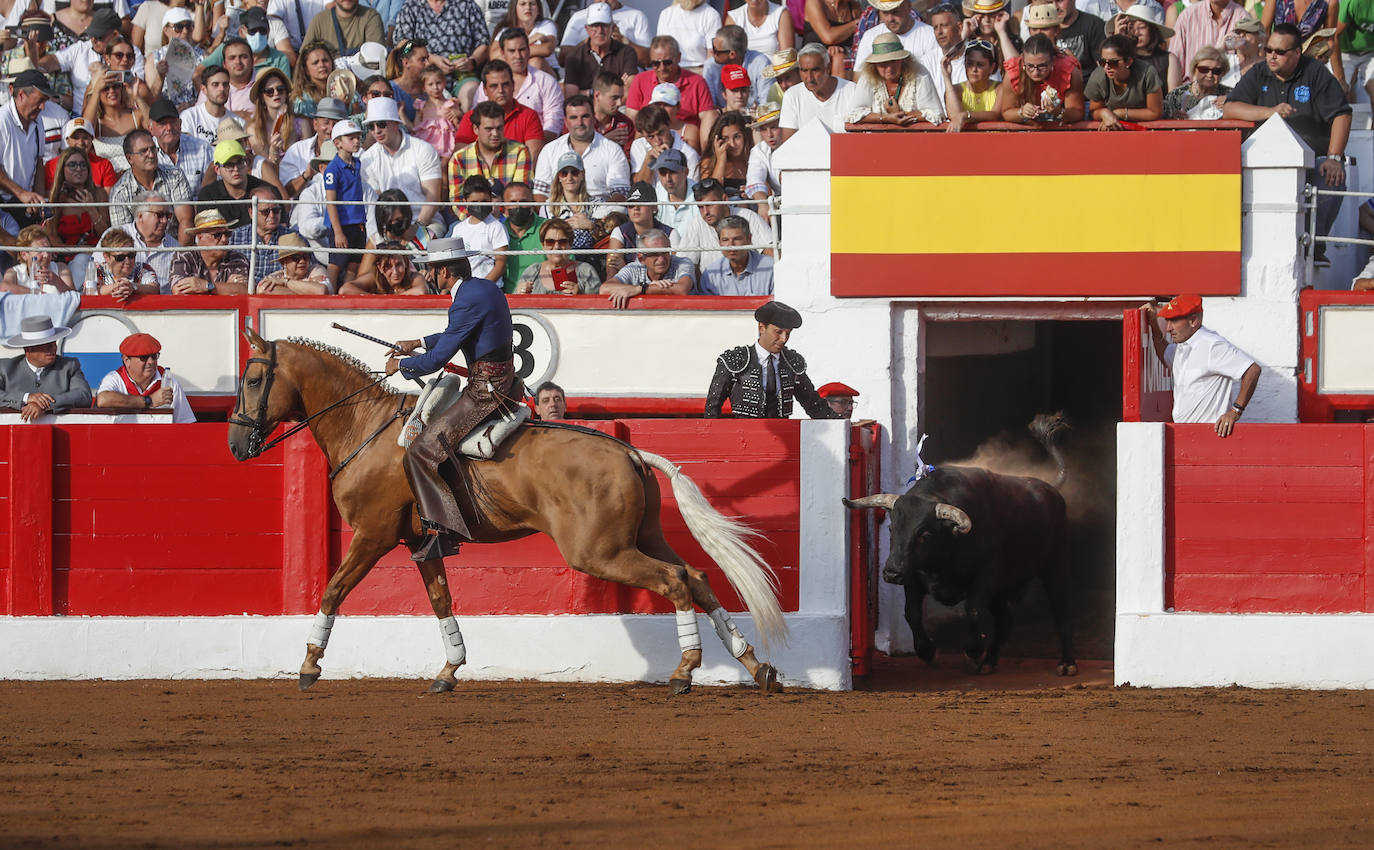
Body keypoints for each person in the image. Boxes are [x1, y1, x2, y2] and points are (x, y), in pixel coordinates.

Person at [386, 237, 519, 561]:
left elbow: (435, 361)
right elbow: (458, 332)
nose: (430, 276)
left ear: (444, 270)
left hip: (485, 390)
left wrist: (400, 365)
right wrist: (416, 341)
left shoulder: (464, 301)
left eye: (432, 270)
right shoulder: (483, 289)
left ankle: (441, 533)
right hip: (500, 379)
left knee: (420, 450)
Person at [1224, 22, 1350, 266]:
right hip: (1263, 161)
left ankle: (1313, 248)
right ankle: (1239, 248)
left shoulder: (1315, 72)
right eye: (1269, 50)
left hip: (1313, 159)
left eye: (1280, 52)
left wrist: (1335, 157)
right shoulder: (1259, 72)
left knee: (1332, 179)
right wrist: (1270, 112)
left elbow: (1342, 114)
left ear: (1296, 53)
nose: (1272, 56)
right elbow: (1230, 108)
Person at [1142, 294, 1260, 437]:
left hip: (1208, 436)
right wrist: (1154, 326)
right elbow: (1165, 354)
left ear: (1193, 321)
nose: (1168, 328)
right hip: (1186, 435)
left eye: (1173, 321)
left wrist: (1235, 412)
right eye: (1167, 321)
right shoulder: (1183, 345)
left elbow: (1252, 370)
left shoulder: (1212, 345)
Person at [705, 300, 838, 419]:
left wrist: (843, 424)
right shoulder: (735, 360)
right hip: (744, 436)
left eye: (788, 333)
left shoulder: (792, 362)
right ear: (762, 328)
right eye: (778, 332)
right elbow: (712, 408)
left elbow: (814, 404)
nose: (784, 339)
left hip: (781, 435)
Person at [359, 96, 444, 231]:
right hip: (388, 227)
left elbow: (433, 198)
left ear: (396, 123)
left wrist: (416, 228)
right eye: (371, 126)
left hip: (426, 223)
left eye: (381, 124)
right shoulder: (367, 159)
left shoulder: (423, 150)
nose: (376, 131)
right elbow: (374, 205)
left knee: (419, 247)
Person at [531, 95, 631, 202]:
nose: (580, 123)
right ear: (565, 121)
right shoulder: (549, 150)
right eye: (574, 117)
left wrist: (602, 215)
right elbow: (540, 194)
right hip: (558, 214)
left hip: (601, 213)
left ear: (594, 118)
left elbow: (620, 193)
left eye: (585, 116)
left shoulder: (612, 150)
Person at [624, 36, 719, 145]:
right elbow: (632, 118)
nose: (662, 68)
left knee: (711, 114)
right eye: (655, 63)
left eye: (667, 62)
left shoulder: (697, 82)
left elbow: (708, 117)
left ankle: (706, 158)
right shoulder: (640, 80)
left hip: (686, 138)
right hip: (651, 138)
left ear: (678, 57)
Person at [453, 59, 547, 166]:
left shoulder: (529, 116)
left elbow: (532, 159)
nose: (500, 90)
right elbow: (459, 160)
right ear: (484, 89)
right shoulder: (470, 117)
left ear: (513, 85)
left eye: (505, 84)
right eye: (494, 86)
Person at [475, 28, 565, 137]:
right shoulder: (488, 83)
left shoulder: (546, 82)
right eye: (512, 51)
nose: (518, 56)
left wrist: (533, 145)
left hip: (536, 145)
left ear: (528, 50)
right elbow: (477, 118)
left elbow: (554, 125)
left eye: (522, 50)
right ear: (503, 53)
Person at [108, 128, 195, 240]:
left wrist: (180, 255)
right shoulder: (119, 193)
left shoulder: (175, 175)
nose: (151, 155)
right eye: (144, 151)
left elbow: (186, 221)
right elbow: (124, 237)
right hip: (139, 252)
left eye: (153, 149)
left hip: (176, 245)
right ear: (130, 158)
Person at [0, 316, 91, 421]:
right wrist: (26, 397)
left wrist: (45, 404)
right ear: (28, 349)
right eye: (46, 345)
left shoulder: (69, 366)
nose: (53, 349)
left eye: (53, 343)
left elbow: (83, 395)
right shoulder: (4, 368)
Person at [42, 145, 109, 284]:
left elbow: (106, 234)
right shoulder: (55, 198)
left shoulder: (99, 193)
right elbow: (52, 239)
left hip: (96, 256)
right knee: (80, 261)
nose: (79, 169)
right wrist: (79, 250)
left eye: (83, 164)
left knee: (83, 260)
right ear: (63, 169)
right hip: (66, 257)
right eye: (72, 165)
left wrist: (91, 208)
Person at [847, 30, 944, 127]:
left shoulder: (919, 73)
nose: (889, 68)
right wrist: (886, 118)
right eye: (883, 64)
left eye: (893, 61)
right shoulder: (867, 76)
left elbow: (935, 113)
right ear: (874, 65)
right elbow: (855, 114)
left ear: (902, 60)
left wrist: (901, 114)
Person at [450, 100, 532, 212]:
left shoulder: (520, 152)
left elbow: (520, 197)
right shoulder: (458, 159)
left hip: (510, 222)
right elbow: (457, 202)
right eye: (489, 129)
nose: (495, 134)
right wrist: (475, 222)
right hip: (471, 222)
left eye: (499, 128)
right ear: (475, 129)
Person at [670, 177, 772, 267]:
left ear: (724, 199)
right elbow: (686, 264)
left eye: (710, 205)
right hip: (709, 287)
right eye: (700, 207)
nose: (706, 212)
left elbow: (773, 253)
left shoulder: (748, 217)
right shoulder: (696, 223)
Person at [853, 0, 946, 98]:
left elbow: (938, 80)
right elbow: (859, 79)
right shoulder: (870, 36)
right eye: (885, 13)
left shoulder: (930, 35)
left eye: (895, 12)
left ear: (908, 7)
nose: (890, 19)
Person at [94, 332, 195, 422]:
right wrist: (149, 401)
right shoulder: (115, 378)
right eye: (144, 357)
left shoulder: (170, 382)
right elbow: (103, 399)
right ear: (126, 360)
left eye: (154, 356)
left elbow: (185, 422)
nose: (151, 362)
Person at [391, 0, 490, 88]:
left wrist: (472, 61)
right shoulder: (411, 7)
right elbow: (403, 47)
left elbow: (484, 43)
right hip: (424, 79)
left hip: (461, 78)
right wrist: (429, 58)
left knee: (471, 89)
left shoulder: (467, 5)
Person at [0, 69, 55, 227]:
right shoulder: (2, 120)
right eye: (40, 100)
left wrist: (38, 200)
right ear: (21, 95)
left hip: (22, 204)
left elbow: (39, 163)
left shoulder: (38, 123)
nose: (43, 107)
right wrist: (21, 193)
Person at [996, 32, 1086, 124]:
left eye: (1042, 66)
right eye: (1030, 66)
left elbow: (1077, 113)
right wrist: (1022, 112)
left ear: (1053, 61)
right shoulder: (1014, 73)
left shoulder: (1068, 71)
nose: (1036, 72)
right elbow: (1006, 112)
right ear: (1023, 61)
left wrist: (1058, 111)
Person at [779, 42, 854, 140]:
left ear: (828, 68)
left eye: (815, 70)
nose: (809, 78)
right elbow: (788, 143)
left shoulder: (851, 91)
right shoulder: (792, 96)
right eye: (804, 71)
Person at [601, 229, 695, 307]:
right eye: (654, 254)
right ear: (641, 258)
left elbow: (682, 289)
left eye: (665, 252)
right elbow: (604, 289)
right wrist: (647, 288)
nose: (661, 259)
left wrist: (641, 289)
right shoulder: (634, 268)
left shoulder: (683, 263)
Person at [563, 4, 641, 96]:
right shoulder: (574, 55)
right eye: (595, 25)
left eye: (605, 26)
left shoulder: (627, 52)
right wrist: (613, 92)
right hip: (585, 107)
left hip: (618, 107)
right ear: (587, 29)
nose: (600, 31)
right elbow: (571, 95)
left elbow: (629, 91)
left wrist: (586, 92)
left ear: (613, 28)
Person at [323, 118, 366, 287]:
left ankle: (345, 291)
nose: (356, 141)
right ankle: (330, 294)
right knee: (336, 262)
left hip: (357, 222)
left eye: (357, 137)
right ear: (338, 143)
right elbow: (331, 202)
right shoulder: (333, 169)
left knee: (354, 262)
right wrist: (338, 231)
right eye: (351, 138)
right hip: (342, 223)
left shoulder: (357, 163)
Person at [1087, 34, 1163, 128]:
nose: (1107, 67)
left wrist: (1120, 113)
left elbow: (1155, 112)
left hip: (1145, 128)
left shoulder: (1147, 73)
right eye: (1102, 62)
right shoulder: (1098, 76)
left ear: (1129, 61)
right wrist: (1103, 113)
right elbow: (1093, 111)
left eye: (1113, 62)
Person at [168, 208, 250, 294]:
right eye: (217, 235)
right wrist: (226, 288)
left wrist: (206, 286)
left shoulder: (237, 259)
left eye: (227, 234)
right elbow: (179, 291)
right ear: (200, 237)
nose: (225, 239)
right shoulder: (184, 256)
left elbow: (245, 289)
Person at [514, 218, 600, 293]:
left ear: (570, 244)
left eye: (562, 242)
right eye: (550, 242)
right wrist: (520, 293)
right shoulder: (532, 272)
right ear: (543, 245)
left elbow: (598, 307)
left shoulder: (586, 272)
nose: (556, 247)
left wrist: (580, 295)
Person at [1108, 3, 1183, 90]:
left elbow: (1174, 97)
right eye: (1131, 27)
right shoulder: (1121, 58)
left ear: (1152, 30)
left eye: (1142, 27)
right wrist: (1118, 41)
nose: (1137, 32)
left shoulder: (1169, 59)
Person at [450, 174, 508, 283]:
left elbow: (500, 265)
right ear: (465, 202)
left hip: (490, 288)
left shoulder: (497, 228)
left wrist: (482, 287)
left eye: (484, 201)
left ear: (491, 200)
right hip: (464, 289)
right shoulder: (458, 229)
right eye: (474, 202)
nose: (480, 206)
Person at [607, 180, 671, 276]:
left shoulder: (670, 234)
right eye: (631, 205)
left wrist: (626, 270)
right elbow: (611, 278)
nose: (635, 208)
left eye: (641, 203)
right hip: (627, 289)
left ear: (654, 207)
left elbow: (674, 273)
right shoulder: (619, 232)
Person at [148, 97, 213, 191]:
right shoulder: (145, 153)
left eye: (173, 122)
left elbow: (212, 188)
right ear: (151, 129)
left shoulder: (202, 149)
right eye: (162, 123)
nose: (169, 127)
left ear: (180, 124)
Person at [560, 0, 652, 66]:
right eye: (595, 25)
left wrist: (623, 41)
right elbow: (563, 59)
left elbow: (647, 60)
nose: (603, 1)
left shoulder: (637, 16)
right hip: (587, 77)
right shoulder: (578, 17)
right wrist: (590, 41)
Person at [698, 215, 773, 295]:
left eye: (737, 239)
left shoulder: (770, 267)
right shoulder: (711, 273)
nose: (731, 245)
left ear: (749, 239)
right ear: (719, 242)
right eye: (725, 240)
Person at [1167, 0, 1245, 76]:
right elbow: (1174, 62)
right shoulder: (1188, 16)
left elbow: (1248, 65)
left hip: (1231, 87)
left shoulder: (1243, 18)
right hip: (1190, 86)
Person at [119, 191, 179, 288]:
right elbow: (96, 272)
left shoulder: (176, 249)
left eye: (168, 216)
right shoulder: (117, 236)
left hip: (160, 302)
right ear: (140, 216)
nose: (164, 221)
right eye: (159, 215)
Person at [631, 102, 700, 183]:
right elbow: (638, 189)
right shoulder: (638, 145)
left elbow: (692, 192)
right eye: (650, 137)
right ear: (642, 135)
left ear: (669, 125)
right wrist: (648, 161)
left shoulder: (689, 154)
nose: (657, 142)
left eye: (661, 133)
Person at [704, 25, 772, 108]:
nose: (712, 53)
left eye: (716, 51)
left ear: (732, 54)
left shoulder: (761, 64)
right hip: (723, 117)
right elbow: (709, 106)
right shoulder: (711, 66)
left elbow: (766, 104)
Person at [494, 0, 562, 78]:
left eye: (532, 4)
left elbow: (547, 49)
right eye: (523, 4)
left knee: (535, 61)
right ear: (514, 8)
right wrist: (530, 40)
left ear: (538, 9)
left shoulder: (546, 25)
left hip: (547, 72)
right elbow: (494, 56)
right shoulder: (506, 29)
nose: (528, 7)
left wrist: (511, 53)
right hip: (514, 72)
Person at [44, 117, 117, 189]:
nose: (81, 142)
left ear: (92, 139)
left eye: (85, 138)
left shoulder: (104, 165)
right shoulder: (51, 165)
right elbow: (49, 196)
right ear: (67, 140)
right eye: (75, 138)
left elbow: (109, 198)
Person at [942, 38, 999, 130]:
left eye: (980, 65)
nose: (974, 69)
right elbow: (955, 116)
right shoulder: (956, 90)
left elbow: (996, 114)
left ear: (992, 67)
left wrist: (966, 115)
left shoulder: (1000, 88)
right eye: (969, 64)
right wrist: (947, 78)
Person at [89, 228, 162, 300]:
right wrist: (117, 287)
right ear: (107, 257)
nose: (127, 261)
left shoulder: (144, 268)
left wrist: (133, 287)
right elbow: (89, 292)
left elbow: (154, 288)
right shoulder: (96, 269)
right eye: (120, 257)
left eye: (131, 255)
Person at [500, 180, 545, 292]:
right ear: (504, 206)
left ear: (532, 203)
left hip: (542, 297)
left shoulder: (548, 228)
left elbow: (566, 262)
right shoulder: (497, 231)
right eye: (513, 202)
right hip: (506, 300)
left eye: (523, 201)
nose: (518, 206)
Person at [2, 225, 75, 293]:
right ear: (24, 255)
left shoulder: (61, 268)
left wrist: (57, 282)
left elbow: (75, 297)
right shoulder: (14, 272)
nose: (46, 255)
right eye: (40, 251)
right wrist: (38, 295)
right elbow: (4, 288)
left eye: (48, 250)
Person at [1163, 45, 1230, 117]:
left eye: (1216, 71)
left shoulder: (1230, 95)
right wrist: (1174, 118)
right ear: (1194, 70)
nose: (1210, 75)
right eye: (1204, 69)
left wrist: (1230, 106)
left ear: (1223, 73)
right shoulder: (1176, 95)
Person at [302, 0, 384, 58]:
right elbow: (304, 56)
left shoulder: (371, 16)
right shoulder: (319, 20)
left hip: (362, 76)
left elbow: (375, 56)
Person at [412, 65, 461, 160]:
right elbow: (416, 127)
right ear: (424, 88)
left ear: (444, 83)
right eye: (430, 84)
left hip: (446, 144)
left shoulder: (450, 104)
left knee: (443, 168)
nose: (435, 87)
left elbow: (457, 126)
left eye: (438, 83)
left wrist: (458, 114)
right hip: (426, 143)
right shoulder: (421, 106)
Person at [698, 111, 753, 194]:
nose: (732, 144)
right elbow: (710, 196)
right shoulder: (709, 163)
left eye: (737, 137)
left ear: (745, 136)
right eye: (725, 139)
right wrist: (721, 161)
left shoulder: (752, 159)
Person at [802, 0, 862, 77]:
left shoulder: (854, 7)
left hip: (845, 55)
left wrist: (842, 48)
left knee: (840, 59)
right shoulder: (814, 2)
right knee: (840, 60)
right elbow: (828, 37)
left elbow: (860, 39)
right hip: (814, 56)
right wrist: (856, 24)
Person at [257, 233, 331, 293]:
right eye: (296, 257)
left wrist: (285, 282)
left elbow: (321, 291)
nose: (302, 261)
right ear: (283, 262)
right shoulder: (276, 276)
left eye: (306, 256)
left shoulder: (316, 269)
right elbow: (261, 289)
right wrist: (308, 290)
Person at [744, 97, 781, 215]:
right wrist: (762, 204)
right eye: (764, 129)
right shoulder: (759, 151)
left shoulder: (798, 142)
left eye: (774, 127)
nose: (769, 134)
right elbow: (754, 179)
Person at [181, 64, 231, 146]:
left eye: (225, 85)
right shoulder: (189, 117)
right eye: (215, 84)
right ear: (204, 89)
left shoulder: (237, 122)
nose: (221, 89)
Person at [726, 0, 796, 57]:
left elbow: (786, 58)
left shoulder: (781, 14)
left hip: (775, 72)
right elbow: (730, 57)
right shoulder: (734, 18)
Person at [289, 40, 336, 118]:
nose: (321, 65)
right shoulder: (303, 101)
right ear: (306, 69)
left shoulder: (344, 89)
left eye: (325, 60)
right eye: (315, 63)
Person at [591, 72, 634, 156]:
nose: (619, 103)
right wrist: (604, 141)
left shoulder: (626, 123)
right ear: (597, 95)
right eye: (614, 98)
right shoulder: (579, 120)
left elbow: (628, 160)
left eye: (621, 98)